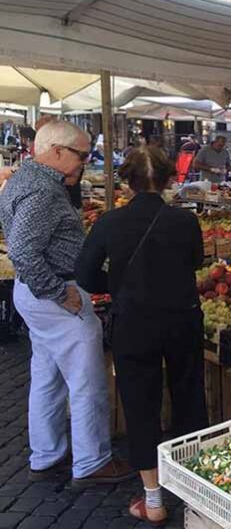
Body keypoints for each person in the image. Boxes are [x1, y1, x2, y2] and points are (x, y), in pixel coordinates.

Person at [76, 147, 208, 525]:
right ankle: (195, 490)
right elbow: (196, 262)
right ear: (169, 179)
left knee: (140, 404)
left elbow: (84, 276)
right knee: (189, 396)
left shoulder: (109, 222)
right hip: (182, 320)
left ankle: (153, 500)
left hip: (134, 323)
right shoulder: (185, 221)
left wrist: (118, 284)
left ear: (128, 181)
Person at [0, 121, 133, 487]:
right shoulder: (43, 191)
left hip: (34, 294)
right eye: (81, 155)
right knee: (86, 380)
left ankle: (46, 455)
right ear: (57, 151)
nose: (84, 163)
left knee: (47, 378)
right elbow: (25, 251)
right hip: (55, 293)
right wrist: (63, 294)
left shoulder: (24, 179)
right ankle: (92, 461)